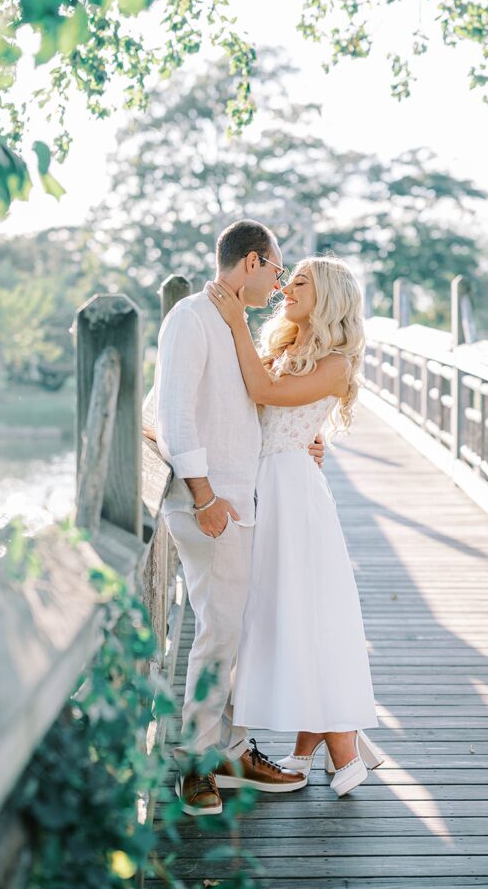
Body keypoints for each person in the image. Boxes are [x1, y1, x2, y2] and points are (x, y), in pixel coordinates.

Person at [145, 220, 326, 816]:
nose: (278, 284)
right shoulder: (191, 318)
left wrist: (304, 439)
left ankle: (231, 749)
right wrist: (203, 496)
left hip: (241, 501)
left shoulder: (232, 323)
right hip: (212, 504)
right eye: (276, 269)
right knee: (220, 632)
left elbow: (249, 405)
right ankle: (197, 761)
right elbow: (173, 415)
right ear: (251, 262)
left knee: (239, 632)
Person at [206, 254, 382, 797]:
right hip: (268, 483)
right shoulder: (285, 349)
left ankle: (340, 743)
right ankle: (312, 749)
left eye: (299, 282)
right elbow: (250, 405)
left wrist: (236, 319)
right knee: (288, 610)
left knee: (304, 610)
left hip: (293, 495)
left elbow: (265, 394)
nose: (285, 290)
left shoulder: (336, 363)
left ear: (327, 296)